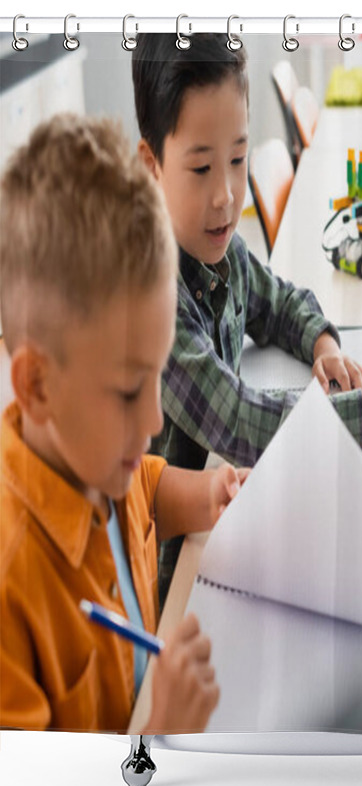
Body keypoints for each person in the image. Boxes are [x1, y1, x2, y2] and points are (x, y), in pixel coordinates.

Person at [131, 33, 362, 602]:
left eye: (239, 159)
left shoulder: (220, 248)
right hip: (178, 579)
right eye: (201, 169)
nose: (227, 195)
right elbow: (238, 421)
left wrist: (323, 345)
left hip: (227, 518)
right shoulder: (152, 298)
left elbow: (278, 300)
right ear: (151, 166)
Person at [0, 114, 245, 733]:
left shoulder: (97, 457)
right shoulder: (11, 587)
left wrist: (210, 496)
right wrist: (157, 732)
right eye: (130, 390)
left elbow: (148, 496)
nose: (155, 418)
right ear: (36, 386)